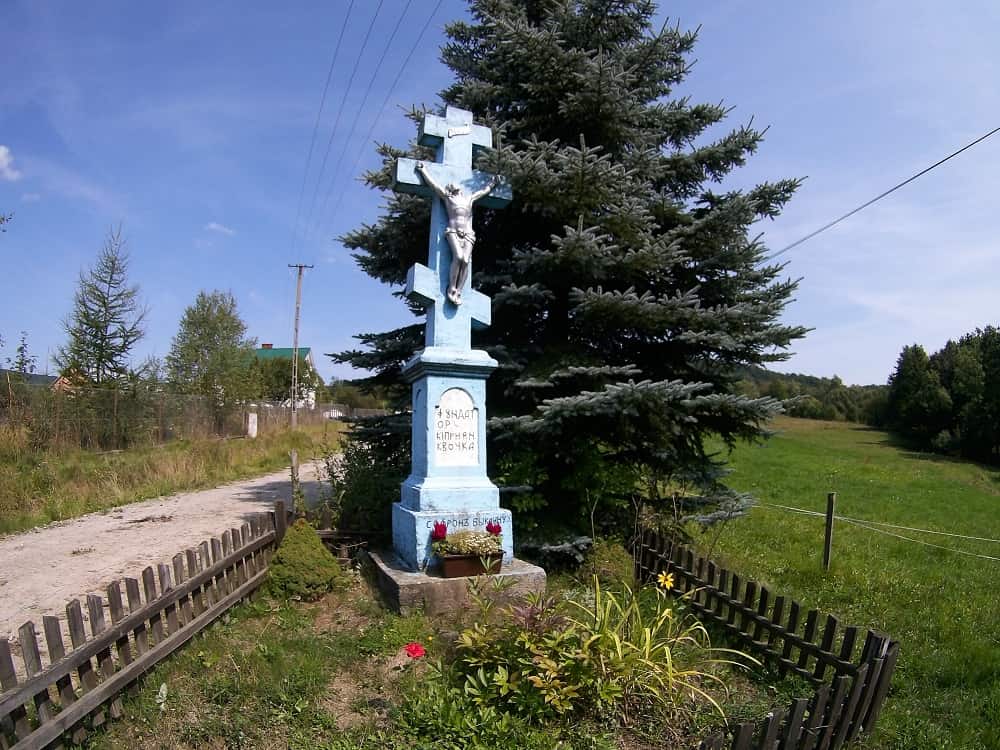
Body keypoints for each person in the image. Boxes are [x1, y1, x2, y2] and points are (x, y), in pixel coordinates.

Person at [416, 161, 500, 305]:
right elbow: (434, 185)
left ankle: (458, 290)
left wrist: (492, 184)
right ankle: (451, 287)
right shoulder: (448, 198)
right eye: (451, 185)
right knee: (459, 257)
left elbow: (482, 192)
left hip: (468, 233)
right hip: (453, 231)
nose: (454, 185)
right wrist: (424, 171)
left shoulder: (469, 199)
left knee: (466, 261)